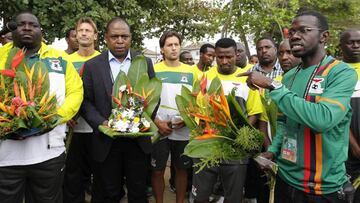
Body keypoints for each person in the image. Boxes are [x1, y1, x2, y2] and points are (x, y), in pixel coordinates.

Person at [239, 11, 357, 203]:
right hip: (285, 178)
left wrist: (272, 85)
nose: (294, 36)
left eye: (304, 30)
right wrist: (273, 151)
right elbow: (284, 121)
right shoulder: (289, 76)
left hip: (322, 186)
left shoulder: (341, 72)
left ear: (324, 36)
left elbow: (323, 119)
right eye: (292, 31)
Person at [0, 11, 83, 203]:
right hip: (5, 157)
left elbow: (76, 91)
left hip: (48, 154)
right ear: (14, 30)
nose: (27, 27)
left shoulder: (59, 59)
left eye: (33, 25)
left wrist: (52, 118)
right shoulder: (2, 56)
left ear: (41, 31)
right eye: (22, 24)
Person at [81, 17, 155, 203]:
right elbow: (86, 102)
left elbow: (154, 96)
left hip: (138, 142)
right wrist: (102, 123)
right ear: (106, 37)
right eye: (115, 36)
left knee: (138, 193)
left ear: (131, 38)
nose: (120, 41)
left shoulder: (144, 62)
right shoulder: (92, 66)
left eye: (124, 36)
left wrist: (139, 121)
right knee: (107, 193)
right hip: (106, 142)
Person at [191, 38, 262, 203]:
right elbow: (196, 110)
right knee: (201, 196)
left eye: (228, 56)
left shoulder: (247, 79)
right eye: (220, 57)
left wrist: (238, 135)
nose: (224, 61)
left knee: (233, 196)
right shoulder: (204, 78)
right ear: (214, 55)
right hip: (207, 147)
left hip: (236, 149)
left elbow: (254, 113)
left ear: (236, 54)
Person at [151, 31, 196, 203]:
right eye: (169, 45)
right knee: (157, 170)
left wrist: (187, 118)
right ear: (162, 49)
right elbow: (145, 101)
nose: (174, 48)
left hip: (183, 130)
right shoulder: (153, 70)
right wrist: (156, 122)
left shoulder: (191, 72)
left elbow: (197, 100)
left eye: (176, 44)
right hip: (159, 129)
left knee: (181, 170)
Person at [63, 17, 100, 203]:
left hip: (99, 128)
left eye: (88, 30)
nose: (84, 33)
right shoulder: (65, 61)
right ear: (75, 35)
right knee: (73, 175)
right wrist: (66, 114)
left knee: (100, 175)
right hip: (73, 128)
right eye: (80, 30)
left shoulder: (103, 60)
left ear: (95, 35)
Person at [341, 28, 360, 203]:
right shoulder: (335, 71)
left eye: (359, 42)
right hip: (345, 154)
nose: (356, 46)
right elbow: (337, 115)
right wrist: (355, 147)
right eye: (351, 42)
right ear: (341, 46)